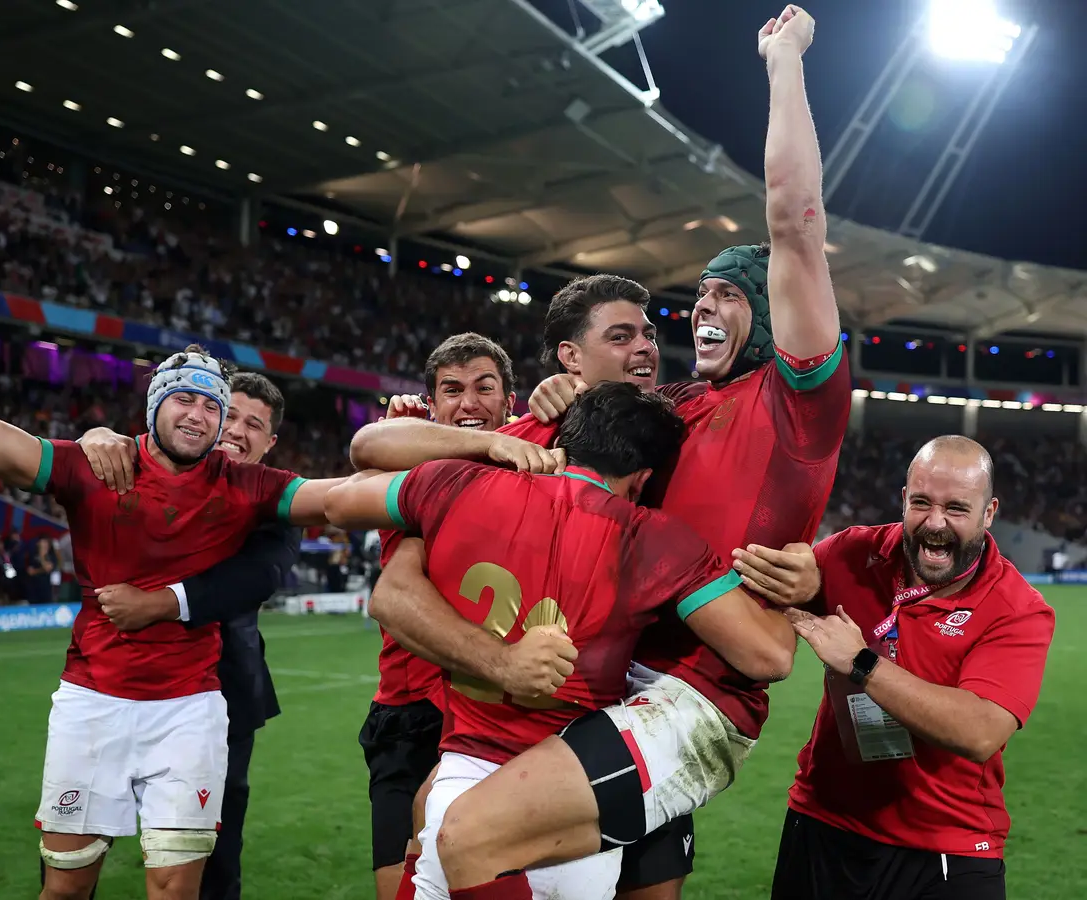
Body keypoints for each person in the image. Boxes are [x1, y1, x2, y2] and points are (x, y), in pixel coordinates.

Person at [351, 7, 849, 897]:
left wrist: (784, 63)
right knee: (443, 827)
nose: (703, 308)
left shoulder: (793, 406)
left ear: (774, 317)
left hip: (691, 696)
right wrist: (539, 403)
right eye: (696, 294)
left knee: (463, 839)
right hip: (606, 675)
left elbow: (795, 224)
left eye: (731, 296)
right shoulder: (663, 409)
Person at [0, 276, 339, 900]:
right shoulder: (95, 466)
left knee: (192, 883)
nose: (207, 420)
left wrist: (436, 465)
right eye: (187, 401)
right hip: (95, 698)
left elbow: (323, 517)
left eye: (217, 408)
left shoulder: (257, 491)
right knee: (66, 885)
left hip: (206, 703)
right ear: (153, 408)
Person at [327, 382, 797, 900]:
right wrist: (803, 590)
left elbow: (340, 503)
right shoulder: (651, 537)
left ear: (566, 441)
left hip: (462, 777)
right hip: (571, 804)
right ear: (641, 479)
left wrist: (418, 540)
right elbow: (766, 656)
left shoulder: (455, 482)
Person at [750, 436, 1055, 900]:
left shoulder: (1017, 609)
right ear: (903, 499)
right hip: (824, 822)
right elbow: (780, 577)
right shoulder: (852, 553)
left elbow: (980, 731)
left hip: (945, 848)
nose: (935, 524)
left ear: (989, 513)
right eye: (921, 503)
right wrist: (792, 564)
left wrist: (862, 663)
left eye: (956, 508)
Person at [51, 371, 303, 900]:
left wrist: (162, 603)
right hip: (112, 682)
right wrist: (92, 437)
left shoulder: (274, 499)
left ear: (270, 443)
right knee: (74, 861)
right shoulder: (146, 464)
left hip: (223, 695)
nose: (236, 430)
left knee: (212, 859)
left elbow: (259, 578)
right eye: (227, 414)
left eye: (254, 425)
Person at [361, 332, 529, 900]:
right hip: (408, 710)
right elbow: (365, 456)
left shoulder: (533, 466)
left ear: (511, 400)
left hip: (494, 709)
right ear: (430, 404)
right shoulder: (410, 468)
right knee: (396, 889)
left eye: (485, 388)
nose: (469, 404)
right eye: (451, 390)